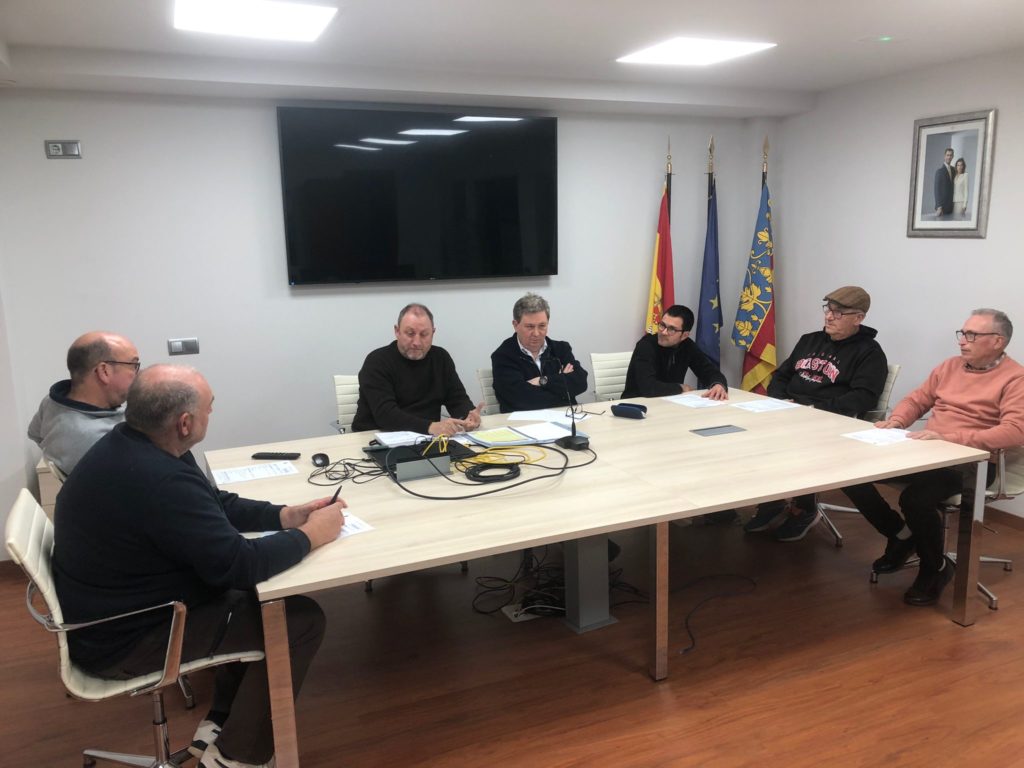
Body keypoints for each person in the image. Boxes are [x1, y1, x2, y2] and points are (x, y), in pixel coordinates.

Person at [52, 365, 345, 768]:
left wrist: (285, 515)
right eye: (210, 407)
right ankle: (237, 758)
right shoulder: (160, 480)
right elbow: (241, 564)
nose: (213, 413)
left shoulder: (138, 444)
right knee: (299, 620)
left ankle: (221, 722)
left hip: (113, 615)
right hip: (128, 639)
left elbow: (212, 504)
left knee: (247, 600)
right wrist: (313, 534)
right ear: (185, 423)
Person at [848, 309, 1024, 606]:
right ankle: (901, 534)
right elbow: (917, 399)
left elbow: (1015, 431)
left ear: (998, 341)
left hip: (974, 462)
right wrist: (897, 421)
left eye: (972, 335)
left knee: (916, 499)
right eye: (962, 333)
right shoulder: (950, 366)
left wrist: (950, 438)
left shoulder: (1016, 378)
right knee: (852, 472)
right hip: (929, 452)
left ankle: (935, 567)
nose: (962, 341)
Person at [743, 286, 888, 541]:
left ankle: (805, 508)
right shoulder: (809, 340)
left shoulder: (869, 353)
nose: (829, 316)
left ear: (859, 318)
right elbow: (782, 376)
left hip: (830, 420)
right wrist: (780, 402)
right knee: (748, 434)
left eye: (838, 313)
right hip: (790, 411)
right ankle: (772, 501)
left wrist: (813, 411)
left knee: (792, 441)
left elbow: (863, 397)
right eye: (828, 310)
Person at [351, 303, 482, 436]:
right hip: (375, 436)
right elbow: (385, 414)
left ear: (433, 333)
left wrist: (468, 416)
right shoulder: (377, 361)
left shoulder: (441, 358)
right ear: (397, 331)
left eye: (424, 334)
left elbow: (457, 399)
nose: (417, 342)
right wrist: (430, 427)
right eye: (410, 333)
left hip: (426, 437)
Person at [27, 331, 139, 475]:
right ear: (104, 371)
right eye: (133, 365)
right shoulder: (101, 440)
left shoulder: (51, 403)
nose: (137, 374)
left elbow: (34, 434)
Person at [491, 292, 588, 413]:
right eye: (530, 327)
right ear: (515, 325)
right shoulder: (503, 356)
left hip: (565, 417)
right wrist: (561, 385)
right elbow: (520, 399)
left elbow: (580, 382)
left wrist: (542, 381)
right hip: (523, 421)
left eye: (542, 326)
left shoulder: (561, 349)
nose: (536, 333)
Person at [621, 304, 728, 400]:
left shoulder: (687, 346)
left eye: (671, 329)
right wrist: (681, 387)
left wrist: (718, 385)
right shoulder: (646, 345)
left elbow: (709, 371)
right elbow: (648, 388)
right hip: (637, 405)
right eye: (662, 325)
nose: (664, 332)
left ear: (684, 335)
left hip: (671, 403)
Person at [934, 147, 955, 218]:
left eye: (951, 155)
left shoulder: (954, 170)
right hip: (942, 208)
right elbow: (937, 190)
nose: (949, 157)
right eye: (947, 155)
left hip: (952, 207)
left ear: (953, 157)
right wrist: (939, 206)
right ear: (944, 156)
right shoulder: (939, 171)